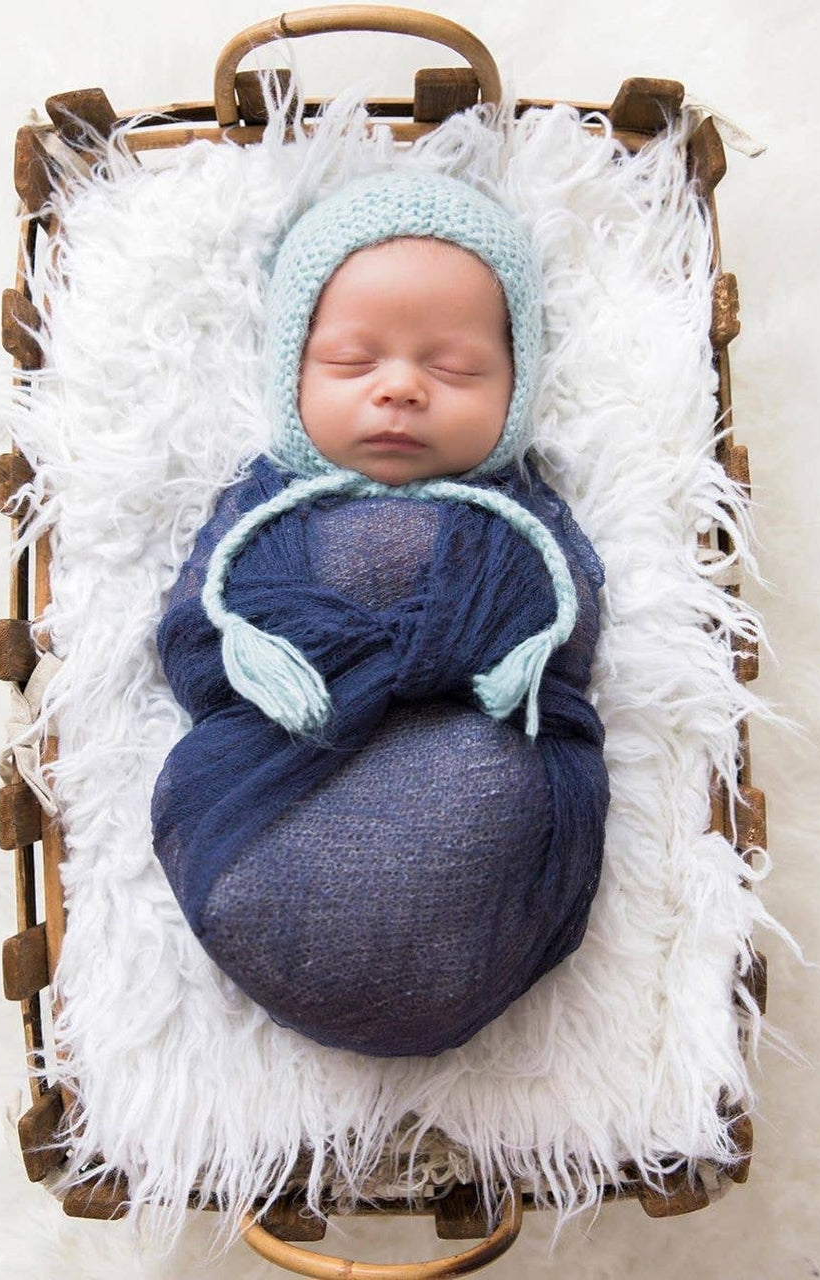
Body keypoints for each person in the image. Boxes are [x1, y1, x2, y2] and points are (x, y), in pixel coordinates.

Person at [150, 168, 609, 1057]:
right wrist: (338, 661)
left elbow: (566, 646)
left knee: (519, 785)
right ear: (290, 374)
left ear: (518, 386)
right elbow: (197, 649)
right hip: (276, 792)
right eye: (353, 362)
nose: (400, 388)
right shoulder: (262, 512)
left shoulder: (523, 516)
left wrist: (433, 655)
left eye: (456, 367)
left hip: (483, 840)